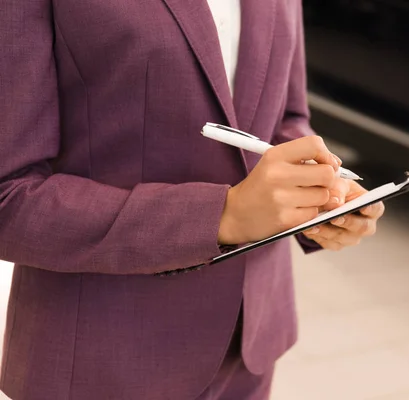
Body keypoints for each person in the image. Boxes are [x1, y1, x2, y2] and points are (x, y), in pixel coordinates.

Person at [0, 0, 385, 399]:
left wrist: (319, 194)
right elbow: (9, 195)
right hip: (107, 356)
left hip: (248, 348)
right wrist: (223, 214)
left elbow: (284, 118)